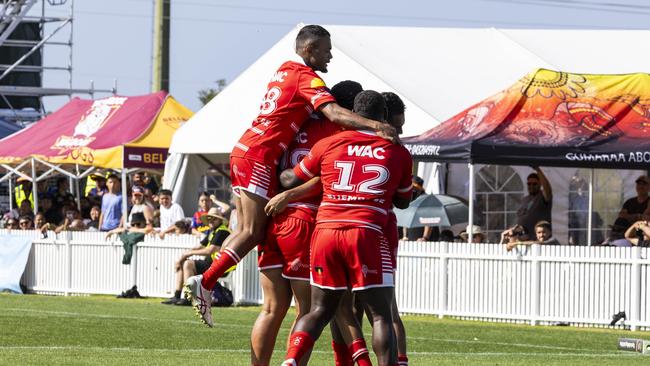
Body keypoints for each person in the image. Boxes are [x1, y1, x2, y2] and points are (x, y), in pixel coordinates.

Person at [183, 24, 398, 328]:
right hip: (261, 158)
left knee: (245, 232)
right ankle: (206, 280)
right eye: (326, 50)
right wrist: (375, 126)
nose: (331, 56)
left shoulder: (284, 69)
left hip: (246, 149)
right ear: (309, 50)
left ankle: (207, 279)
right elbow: (334, 113)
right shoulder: (308, 78)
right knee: (253, 233)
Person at [278, 90, 412, 366]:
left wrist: (277, 168)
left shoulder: (329, 143)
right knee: (381, 314)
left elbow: (291, 178)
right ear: (383, 118)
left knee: (318, 310)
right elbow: (403, 200)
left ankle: (291, 360)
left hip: (325, 230)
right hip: (367, 232)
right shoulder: (397, 151)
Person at [250, 80, 361, 366]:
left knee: (271, 308)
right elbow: (329, 177)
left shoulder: (293, 123)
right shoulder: (338, 131)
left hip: (274, 220)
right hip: (302, 219)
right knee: (309, 309)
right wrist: (292, 194)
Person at [163, 207, 230, 305]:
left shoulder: (222, 232)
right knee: (184, 262)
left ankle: (188, 297)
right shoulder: (214, 231)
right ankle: (177, 295)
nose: (211, 220)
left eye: (214, 218)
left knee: (188, 264)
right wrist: (183, 256)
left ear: (220, 220)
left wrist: (188, 254)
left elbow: (210, 250)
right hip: (212, 264)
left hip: (219, 266)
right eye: (209, 218)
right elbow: (199, 246)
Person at [516, 167, 552, 238]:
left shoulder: (543, 196)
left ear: (540, 184)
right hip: (523, 238)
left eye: (534, 184)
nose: (531, 186)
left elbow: (547, 188)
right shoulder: (525, 199)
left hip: (539, 238)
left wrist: (538, 170)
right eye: (529, 184)